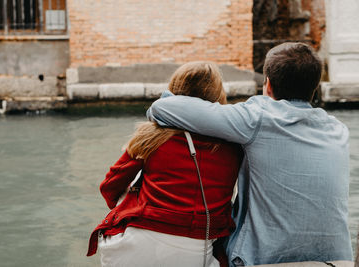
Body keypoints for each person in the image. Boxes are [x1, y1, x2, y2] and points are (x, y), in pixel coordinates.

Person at [147, 43, 353, 266]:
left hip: (261, 259)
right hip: (336, 259)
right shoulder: (338, 130)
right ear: (314, 86)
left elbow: (162, 109)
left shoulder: (257, 119)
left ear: (268, 85)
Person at [87, 62, 243, 267]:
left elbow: (109, 186)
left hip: (133, 249)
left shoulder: (152, 135)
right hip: (197, 252)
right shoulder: (235, 145)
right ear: (217, 95)